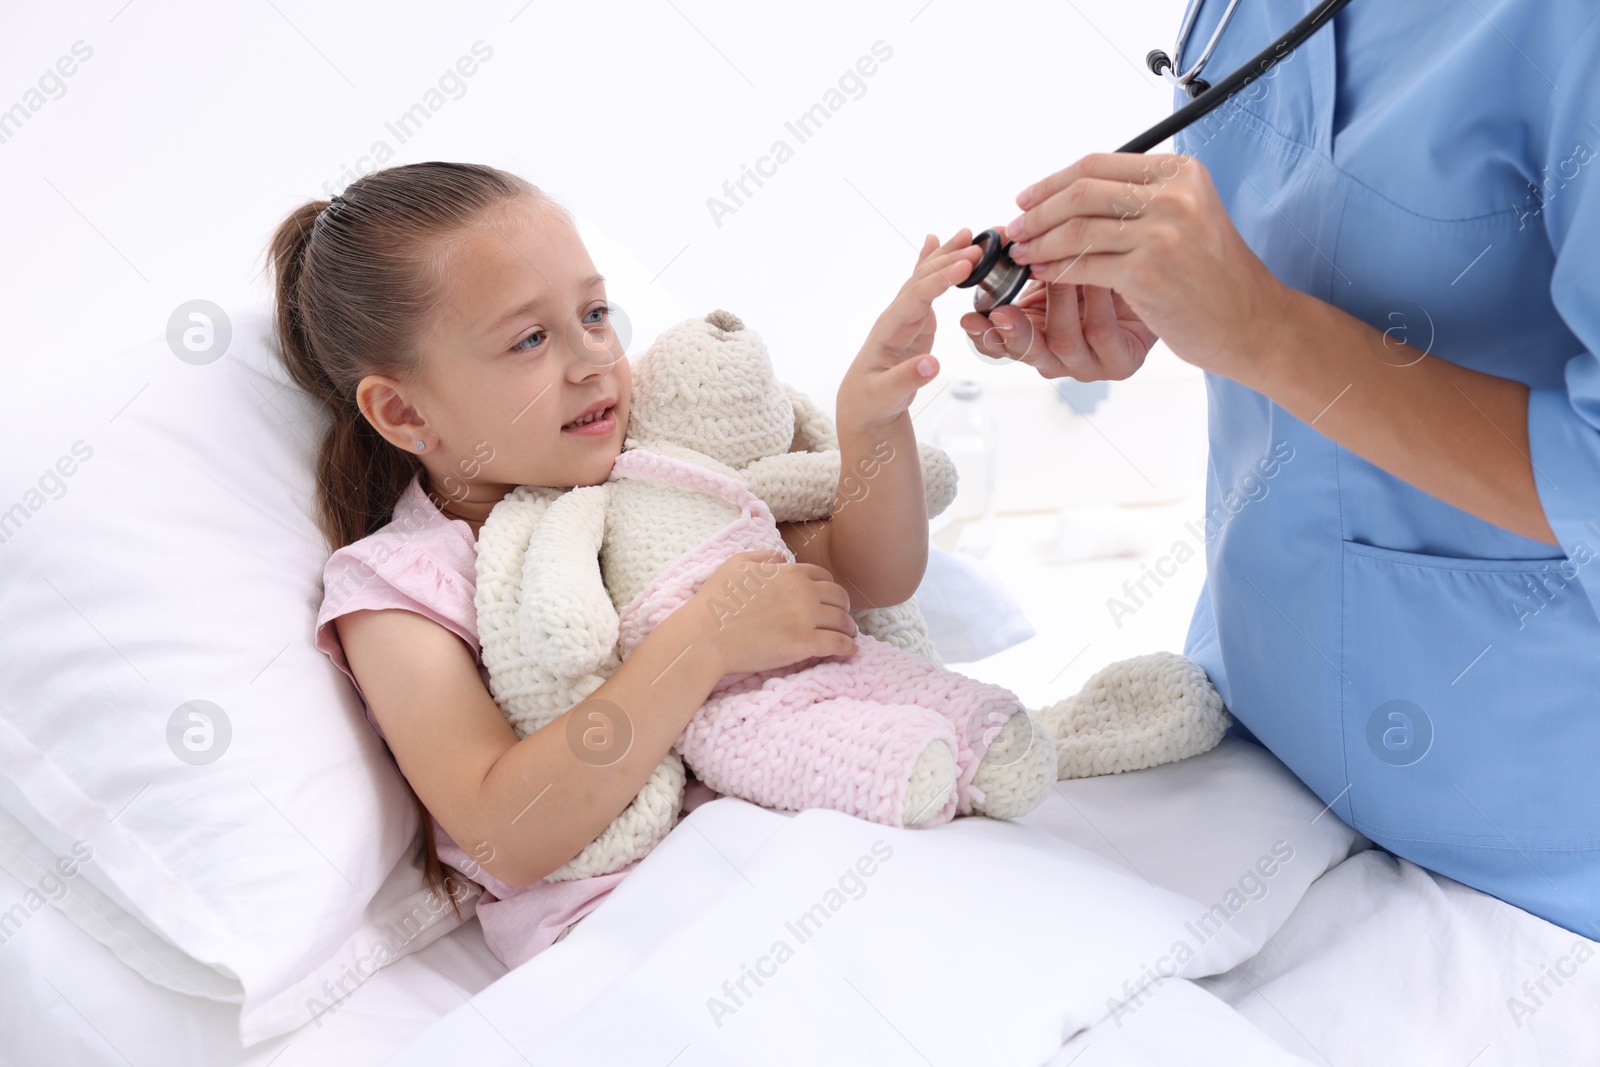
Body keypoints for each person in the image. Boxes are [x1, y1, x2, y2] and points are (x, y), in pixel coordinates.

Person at [962, 0, 1600, 938]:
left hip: (1525, 852)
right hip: (1249, 722)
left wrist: (1262, 328)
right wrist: (1169, 291)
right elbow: (1325, 227)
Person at [266, 161, 984, 967]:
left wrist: (872, 423)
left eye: (595, 313)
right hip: (640, 927)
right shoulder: (400, 590)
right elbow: (505, 827)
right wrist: (703, 641)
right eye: (531, 338)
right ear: (403, 411)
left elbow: (866, 577)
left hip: (797, 825)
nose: (591, 361)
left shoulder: (655, 471)